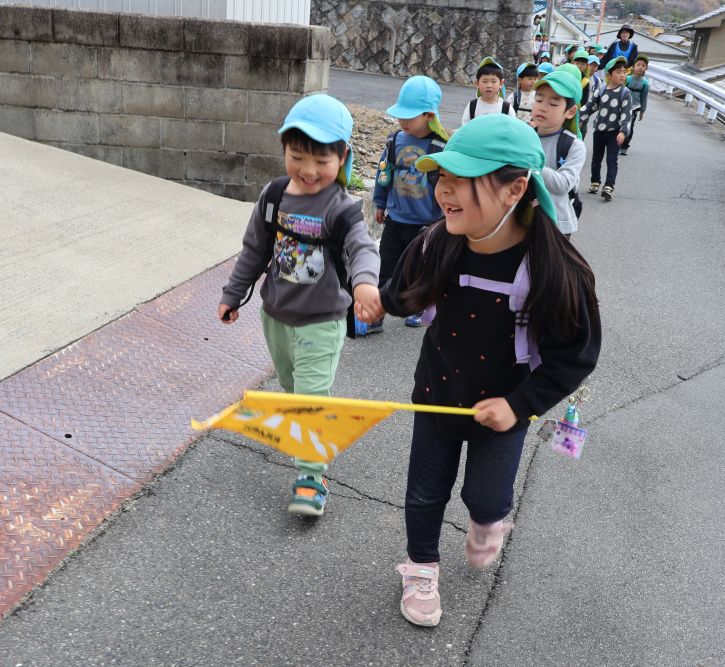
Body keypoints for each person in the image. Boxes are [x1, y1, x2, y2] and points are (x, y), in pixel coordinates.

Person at [379, 113, 601, 627]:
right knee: (424, 490)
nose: (444, 191)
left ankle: (487, 522)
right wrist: (376, 301)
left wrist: (520, 405)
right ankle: (421, 568)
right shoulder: (437, 242)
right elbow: (403, 291)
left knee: (487, 496)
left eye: (461, 181)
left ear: (514, 189)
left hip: (502, 409)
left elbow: (576, 354)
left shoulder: (554, 270)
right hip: (436, 394)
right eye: (444, 178)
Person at [219, 94, 382, 517]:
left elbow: (362, 249)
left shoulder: (341, 207)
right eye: (297, 156)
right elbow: (254, 251)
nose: (308, 171)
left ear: (342, 157)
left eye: (321, 160)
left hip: (321, 322)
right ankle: (314, 437)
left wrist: (365, 285)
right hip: (276, 316)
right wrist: (232, 294)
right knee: (294, 395)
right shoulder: (273, 196)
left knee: (309, 397)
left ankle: (312, 476)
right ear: (284, 151)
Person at [373, 76, 450, 330]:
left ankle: (420, 306)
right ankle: (378, 312)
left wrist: (447, 219)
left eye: (409, 117)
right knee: (386, 268)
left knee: (422, 270)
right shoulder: (395, 141)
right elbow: (384, 175)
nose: (402, 121)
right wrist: (380, 204)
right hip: (396, 219)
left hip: (427, 223)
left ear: (429, 115)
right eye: (401, 116)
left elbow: (449, 187)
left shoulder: (440, 147)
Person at [531, 70, 586, 238]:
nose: (542, 107)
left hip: (556, 225)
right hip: (521, 221)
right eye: (539, 99)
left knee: (547, 265)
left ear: (570, 111)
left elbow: (563, 184)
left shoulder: (574, 146)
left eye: (553, 104)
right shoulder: (524, 136)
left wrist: (531, 164)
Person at [581, 56, 631, 201]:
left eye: (624, 72)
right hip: (599, 131)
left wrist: (623, 131)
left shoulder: (624, 92)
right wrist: (579, 118)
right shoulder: (601, 90)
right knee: (596, 158)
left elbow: (626, 114)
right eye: (618, 72)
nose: (622, 75)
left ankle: (609, 186)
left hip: (614, 133)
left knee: (611, 160)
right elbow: (591, 106)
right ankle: (595, 181)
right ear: (609, 75)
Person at [462, 56, 514, 125]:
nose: (489, 85)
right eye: (485, 81)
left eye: (493, 81)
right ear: (477, 83)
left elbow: (512, 128)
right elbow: (465, 128)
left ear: (501, 84)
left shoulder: (506, 108)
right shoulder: (472, 106)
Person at [622, 55, 650, 155]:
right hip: (622, 106)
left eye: (643, 66)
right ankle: (616, 143)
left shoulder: (645, 84)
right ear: (633, 67)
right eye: (638, 65)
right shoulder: (627, 79)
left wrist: (642, 111)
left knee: (630, 126)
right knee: (619, 124)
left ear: (646, 68)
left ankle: (625, 145)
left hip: (634, 108)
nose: (640, 67)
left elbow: (644, 98)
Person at [579, 55, 602, 136]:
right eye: (590, 65)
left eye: (595, 66)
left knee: (583, 128)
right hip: (579, 105)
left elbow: (600, 94)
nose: (592, 67)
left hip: (588, 107)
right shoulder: (581, 77)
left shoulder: (597, 80)